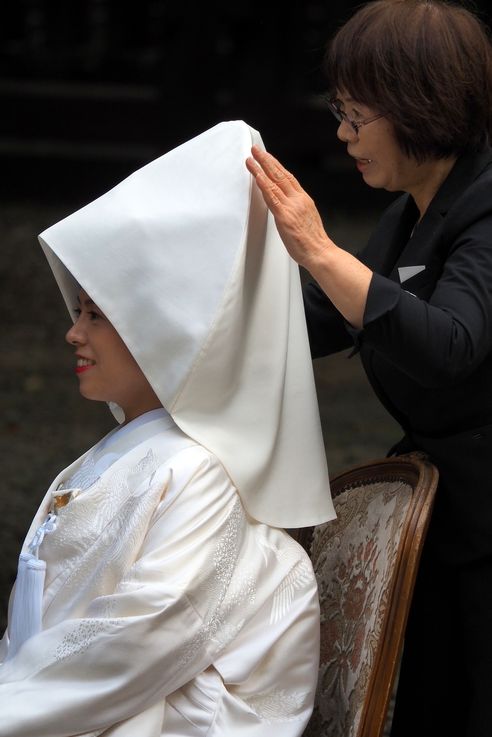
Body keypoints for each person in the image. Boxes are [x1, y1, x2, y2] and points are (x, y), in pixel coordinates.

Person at [0, 120, 336, 736]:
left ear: (164, 334)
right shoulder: (113, 458)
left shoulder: (203, 471)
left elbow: (141, 637)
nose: (74, 333)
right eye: (77, 312)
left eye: (96, 315)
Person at [246, 1, 492, 736]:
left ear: (423, 107)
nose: (343, 134)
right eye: (339, 111)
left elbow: (449, 344)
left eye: (357, 115)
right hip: (452, 514)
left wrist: (319, 249)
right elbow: (319, 317)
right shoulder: (411, 215)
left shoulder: (485, 206)